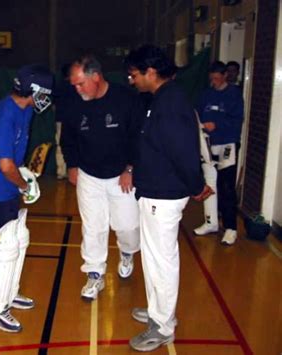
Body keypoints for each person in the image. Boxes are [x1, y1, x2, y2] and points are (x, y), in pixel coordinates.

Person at [124, 45, 212, 352]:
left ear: (150, 72)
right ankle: (157, 310)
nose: (131, 80)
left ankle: (162, 325)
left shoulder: (171, 103)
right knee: (152, 259)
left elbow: (183, 152)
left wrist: (196, 185)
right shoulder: (159, 99)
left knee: (162, 261)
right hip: (153, 193)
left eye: (134, 74)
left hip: (165, 196)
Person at [0, 64, 54, 333]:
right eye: (45, 93)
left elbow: (13, 160)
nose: (47, 99)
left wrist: (24, 173)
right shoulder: (4, 116)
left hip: (5, 186)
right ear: (33, 90)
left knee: (18, 239)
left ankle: (8, 293)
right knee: (1, 249)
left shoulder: (25, 109)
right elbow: (5, 166)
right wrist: (24, 186)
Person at [61, 54, 142, 301]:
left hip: (121, 175)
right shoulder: (75, 103)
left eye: (80, 83)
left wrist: (130, 169)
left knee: (127, 227)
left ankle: (127, 252)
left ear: (96, 77)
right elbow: (68, 138)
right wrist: (72, 165)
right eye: (73, 84)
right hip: (89, 175)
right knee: (93, 227)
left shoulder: (126, 99)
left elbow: (138, 137)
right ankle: (95, 273)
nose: (76, 89)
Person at [193, 61, 244, 245]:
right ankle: (210, 222)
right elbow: (197, 114)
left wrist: (218, 125)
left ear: (224, 76)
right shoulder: (206, 95)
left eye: (216, 78)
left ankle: (231, 228)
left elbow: (237, 120)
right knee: (209, 183)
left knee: (227, 187)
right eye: (211, 78)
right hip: (208, 145)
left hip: (226, 144)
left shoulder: (234, 94)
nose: (213, 81)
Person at [53, 63, 80, 179]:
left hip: (61, 119)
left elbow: (53, 105)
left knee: (60, 145)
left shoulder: (59, 86)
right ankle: (77, 171)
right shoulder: (76, 86)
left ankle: (61, 172)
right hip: (74, 119)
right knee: (76, 144)